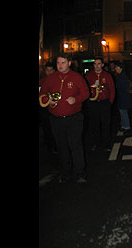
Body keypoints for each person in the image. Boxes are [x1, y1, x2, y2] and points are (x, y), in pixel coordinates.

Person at [39, 54, 90, 183]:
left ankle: (80, 173)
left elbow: (86, 93)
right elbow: (42, 94)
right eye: (58, 63)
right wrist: (48, 101)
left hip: (74, 118)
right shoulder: (50, 78)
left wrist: (76, 99)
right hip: (56, 119)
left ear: (69, 63)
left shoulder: (76, 77)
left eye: (63, 62)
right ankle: (65, 172)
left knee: (75, 145)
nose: (60, 65)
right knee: (62, 146)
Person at [85, 56, 116, 151]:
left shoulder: (107, 76)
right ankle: (96, 142)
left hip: (104, 102)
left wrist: (110, 102)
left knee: (105, 124)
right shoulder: (89, 76)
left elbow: (112, 90)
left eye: (99, 64)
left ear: (102, 65)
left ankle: (106, 144)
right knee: (94, 124)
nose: (97, 66)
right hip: (93, 103)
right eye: (95, 64)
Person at [112, 61, 132, 133]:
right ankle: (124, 124)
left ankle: (126, 126)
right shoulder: (120, 76)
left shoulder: (121, 77)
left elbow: (123, 87)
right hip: (122, 97)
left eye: (117, 68)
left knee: (123, 112)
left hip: (123, 97)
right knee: (122, 111)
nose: (116, 69)